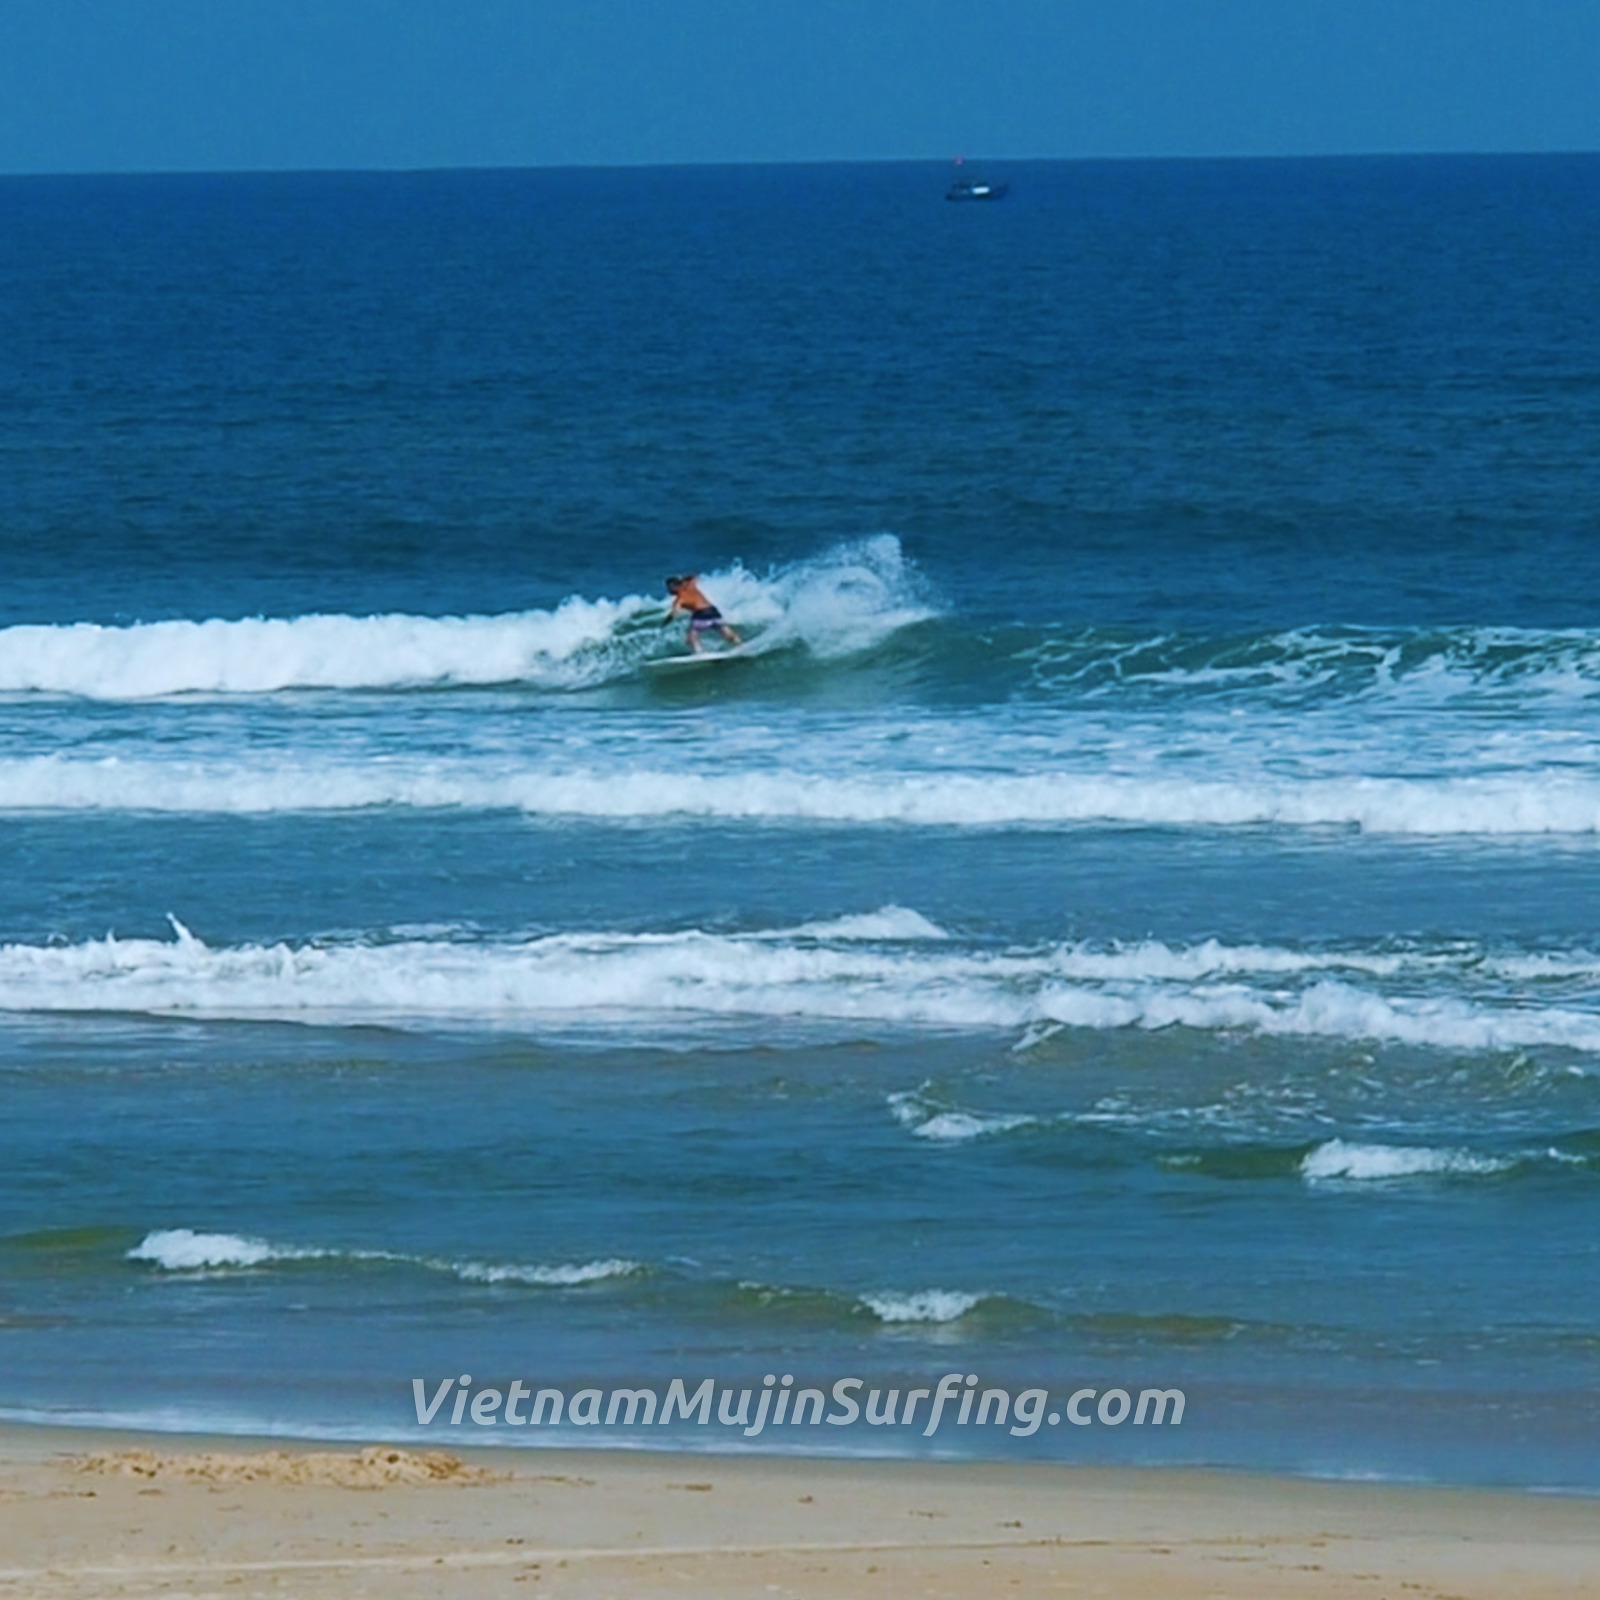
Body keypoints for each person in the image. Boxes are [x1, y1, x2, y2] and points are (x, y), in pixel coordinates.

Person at [664, 575, 743, 653]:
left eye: (669, 587)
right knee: (727, 633)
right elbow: (694, 577)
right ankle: (740, 645)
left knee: (692, 637)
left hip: (701, 615)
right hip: (714, 612)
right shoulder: (691, 585)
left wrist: (665, 623)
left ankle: (699, 653)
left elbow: (673, 614)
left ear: (675, 586)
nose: (668, 590)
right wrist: (682, 579)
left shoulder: (679, 599)